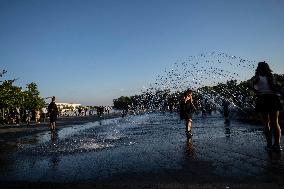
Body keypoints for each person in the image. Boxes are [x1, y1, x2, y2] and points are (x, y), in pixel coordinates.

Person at [249, 61, 282, 151]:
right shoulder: (273, 76)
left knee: (266, 124)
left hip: (262, 99)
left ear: (258, 68)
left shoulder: (257, 77)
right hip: (273, 98)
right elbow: (280, 85)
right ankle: (277, 145)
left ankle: (269, 145)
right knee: (275, 123)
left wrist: (255, 91)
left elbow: (249, 84)